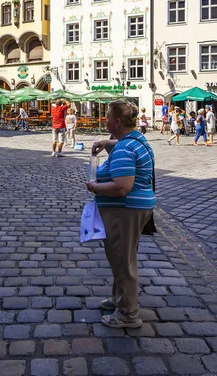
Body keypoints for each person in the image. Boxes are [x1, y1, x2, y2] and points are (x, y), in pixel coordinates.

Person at [87, 100, 155, 329]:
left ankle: (128, 314)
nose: (104, 120)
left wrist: (94, 187)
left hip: (125, 209)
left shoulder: (126, 148)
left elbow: (122, 186)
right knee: (121, 258)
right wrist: (106, 142)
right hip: (133, 208)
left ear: (116, 122)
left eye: (107, 117)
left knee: (123, 261)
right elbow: (121, 146)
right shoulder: (135, 140)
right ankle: (119, 299)